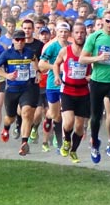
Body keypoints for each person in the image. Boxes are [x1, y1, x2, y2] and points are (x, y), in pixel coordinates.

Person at [79, 10, 110, 163]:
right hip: (98, 80)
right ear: (103, 21)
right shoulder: (94, 37)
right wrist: (98, 58)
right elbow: (82, 59)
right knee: (96, 115)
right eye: (108, 21)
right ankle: (94, 144)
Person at [0, 29, 38, 156]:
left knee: (27, 113)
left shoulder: (30, 53)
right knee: (10, 118)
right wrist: (6, 75)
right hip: (12, 90)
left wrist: (37, 71)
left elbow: (34, 60)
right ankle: (6, 128)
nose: (20, 42)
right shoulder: (7, 53)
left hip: (26, 88)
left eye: (22, 39)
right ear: (13, 40)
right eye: (17, 40)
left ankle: (24, 143)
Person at [53, 22, 89, 163]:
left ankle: (73, 151)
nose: (79, 35)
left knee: (79, 126)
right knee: (68, 123)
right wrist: (56, 76)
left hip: (83, 92)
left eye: (82, 32)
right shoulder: (65, 51)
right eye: (77, 32)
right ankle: (66, 140)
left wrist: (92, 76)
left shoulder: (88, 51)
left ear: (85, 34)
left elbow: (95, 67)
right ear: (72, 34)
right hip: (67, 90)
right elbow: (56, 64)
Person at [38, 21, 71, 153]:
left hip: (68, 84)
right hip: (53, 84)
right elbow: (41, 65)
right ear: (56, 32)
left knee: (65, 114)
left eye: (65, 32)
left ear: (69, 33)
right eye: (60, 31)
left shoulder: (71, 47)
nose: (63, 34)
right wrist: (56, 67)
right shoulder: (51, 47)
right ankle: (49, 120)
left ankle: (61, 144)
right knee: (55, 115)